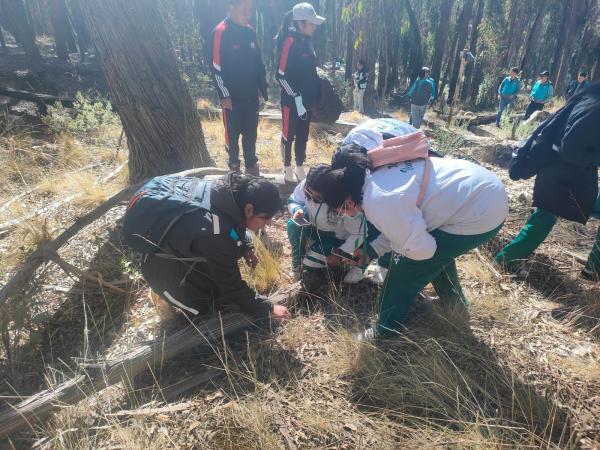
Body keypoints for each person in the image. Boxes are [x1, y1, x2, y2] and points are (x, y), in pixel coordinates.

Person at [319, 130, 508, 339]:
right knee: (436, 255)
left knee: (403, 270)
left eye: (340, 210)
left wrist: (401, 255)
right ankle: (454, 303)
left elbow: (422, 250)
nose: (344, 214)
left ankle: (385, 331)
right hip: (482, 189)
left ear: (348, 201)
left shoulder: (378, 200)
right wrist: (371, 250)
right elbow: (401, 225)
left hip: (479, 213)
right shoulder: (371, 175)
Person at [122, 173, 291, 322]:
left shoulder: (227, 193)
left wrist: (246, 247)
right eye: (265, 218)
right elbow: (229, 282)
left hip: (175, 246)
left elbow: (232, 224)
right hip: (161, 269)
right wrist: (266, 308)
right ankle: (186, 301)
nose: (268, 223)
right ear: (249, 209)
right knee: (209, 304)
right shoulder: (215, 232)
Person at [495, 83, 600, 281]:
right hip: (564, 177)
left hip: (561, 173)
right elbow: (570, 149)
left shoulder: (590, 100)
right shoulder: (596, 108)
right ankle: (505, 259)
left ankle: (593, 269)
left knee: (543, 218)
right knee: (543, 218)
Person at [287, 164, 388, 285]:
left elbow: (359, 232)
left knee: (310, 263)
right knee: (292, 225)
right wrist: (296, 209)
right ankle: (296, 263)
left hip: (335, 238)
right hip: (313, 227)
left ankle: (346, 266)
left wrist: (341, 252)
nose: (312, 198)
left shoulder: (341, 200)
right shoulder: (308, 184)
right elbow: (293, 199)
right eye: (309, 193)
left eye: (318, 197)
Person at [210, 0, 268, 176]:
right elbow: (216, 67)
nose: (247, 14)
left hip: (251, 96)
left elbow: (259, 64)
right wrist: (224, 95)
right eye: (243, 10)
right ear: (231, 8)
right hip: (231, 99)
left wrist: (262, 91)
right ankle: (234, 169)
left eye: (249, 10)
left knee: (251, 136)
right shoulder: (221, 32)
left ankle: (252, 168)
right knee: (232, 137)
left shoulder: (250, 32)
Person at [276, 3, 325, 183]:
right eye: (312, 24)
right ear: (301, 24)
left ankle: (299, 166)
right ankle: (287, 167)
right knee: (288, 134)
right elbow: (280, 75)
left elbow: (311, 73)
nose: (315, 26)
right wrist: (295, 96)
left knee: (303, 135)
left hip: (307, 103)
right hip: (291, 102)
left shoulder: (308, 42)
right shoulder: (289, 42)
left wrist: (315, 95)